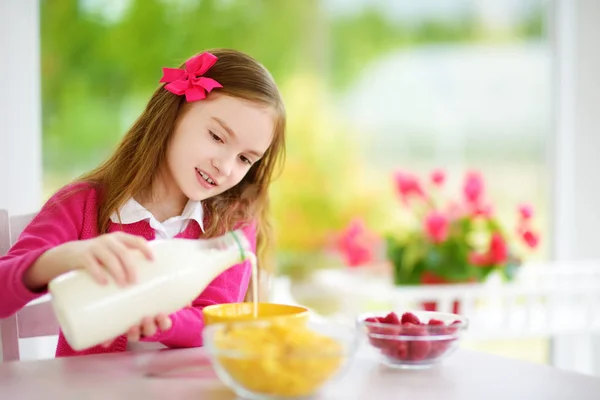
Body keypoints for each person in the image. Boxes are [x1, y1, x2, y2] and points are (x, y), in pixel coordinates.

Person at [0, 49, 286, 357]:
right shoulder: (82, 204)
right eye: (217, 137)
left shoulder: (232, 223)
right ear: (174, 114)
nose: (226, 167)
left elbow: (215, 319)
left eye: (245, 158)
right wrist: (63, 257)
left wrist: (159, 320)